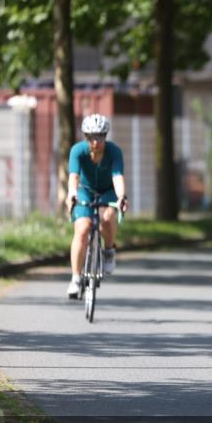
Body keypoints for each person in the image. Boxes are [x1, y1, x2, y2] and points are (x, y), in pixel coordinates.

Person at [64, 114, 129, 299]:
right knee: (83, 228)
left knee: (107, 218)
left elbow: (117, 177)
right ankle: (76, 278)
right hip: (85, 190)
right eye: (91, 136)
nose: (95, 141)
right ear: (85, 136)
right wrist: (72, 194)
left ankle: (109, 250)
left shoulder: (114, 152)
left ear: (105, 136)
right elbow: (74, 177)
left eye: (99, 136)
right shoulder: (77, 151)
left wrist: (121, 196)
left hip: (108, 190)